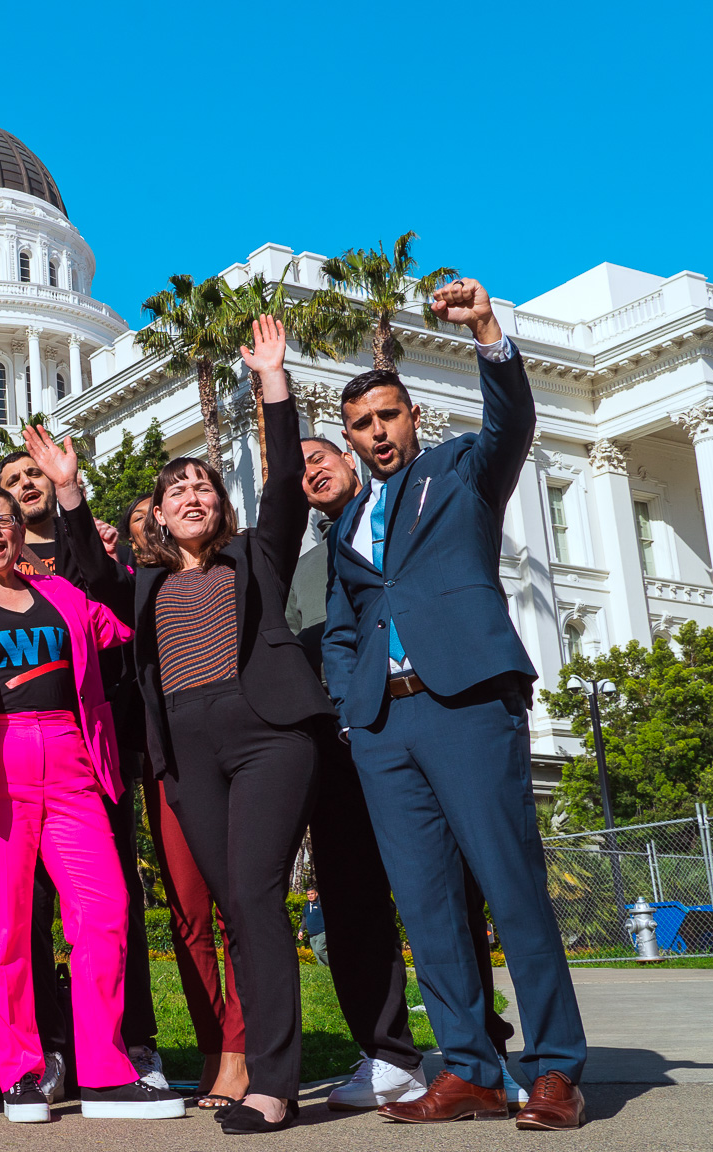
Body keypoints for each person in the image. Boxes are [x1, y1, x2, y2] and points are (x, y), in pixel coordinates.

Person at [323, 277, 587, 1130]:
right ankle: (469, 1067)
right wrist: (348, 709)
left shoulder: (462, 469)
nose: (377, 433)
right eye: (362, 425)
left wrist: (487, 335)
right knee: (426, 904)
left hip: (467, 703)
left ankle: (553, 1070)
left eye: (388, 417)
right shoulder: (346, 525)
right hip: (386, 725)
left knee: (511, 888)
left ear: (411, 417)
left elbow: (513, 423)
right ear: (352, 437)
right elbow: (342, 623)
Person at [0, 485, 183, 1124]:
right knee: (3, 931)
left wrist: (111, 554)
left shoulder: (60, 593)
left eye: (6, 520)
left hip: (70, 757)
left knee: (105, 911)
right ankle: (21, 1076)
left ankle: (107, 1074)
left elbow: (118, 622)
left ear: (21, 532)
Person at [115, 317, 327, 1135]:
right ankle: (252, 1065)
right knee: (233, 904)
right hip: (187, 749)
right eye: (176, 492)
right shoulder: (144, 586)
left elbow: (281, 489)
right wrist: (68, 493)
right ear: (159, 517)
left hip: (267, 728)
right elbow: (91, 574)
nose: (192, 496)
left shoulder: (258, 554)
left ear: (220, 503)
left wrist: (273, 380)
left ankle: (273, 1083)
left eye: (204, 485)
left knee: (258, 896)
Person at [290, 432, 522, 1112]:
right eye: (296, 469)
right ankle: (388, 1056)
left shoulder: (412, 524)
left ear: (349, 459)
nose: (310, 472)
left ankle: (482, 1049)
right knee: (355, 904)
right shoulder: (306, 562)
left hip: (425, 721)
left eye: (319, 457)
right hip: (346, 747)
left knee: (451, 895)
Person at [97, 487, 252, 1111]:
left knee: (237, 904)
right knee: (188, 915)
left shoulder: (226, 569)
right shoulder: (137, 593)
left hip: (234, 749)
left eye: (144, 519)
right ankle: (213, 1047)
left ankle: (242, 1047)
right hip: (165, 762)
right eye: (135, 523)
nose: (140, 531)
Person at [301, 891, 328, 967]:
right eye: (308, 894)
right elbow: (304, 918)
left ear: (316, 894)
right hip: (312, 933)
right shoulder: (306, 905)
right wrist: (301, 930)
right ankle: (323, 969)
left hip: (321, 932)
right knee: (316, 952)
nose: (310, 896)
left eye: (312, 894)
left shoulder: (320, 903)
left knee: (320, 950)